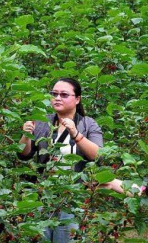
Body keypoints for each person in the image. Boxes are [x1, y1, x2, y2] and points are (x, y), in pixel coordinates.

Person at [17, 78, 103, 242]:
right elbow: (24, 155)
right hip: (44, 194)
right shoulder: (43, 123)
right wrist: (26, 136)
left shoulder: (87, 124)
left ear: (77, 99)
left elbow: (98, 155)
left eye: (64, 95)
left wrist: (76, 134)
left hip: (72, 196)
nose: (57, 98)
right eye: (54, 94)